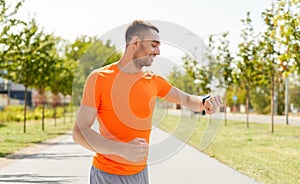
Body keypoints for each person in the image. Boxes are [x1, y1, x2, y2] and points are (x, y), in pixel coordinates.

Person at [73, 20, 222, 184]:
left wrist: (205, 101)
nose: (158, 52)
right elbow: (80, 132)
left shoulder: (153, 81)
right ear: (136, 42)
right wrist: (123, 149)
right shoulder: (99, 78)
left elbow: (187, 99)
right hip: (107, 175)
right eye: (154, 45)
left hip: (140, 174)